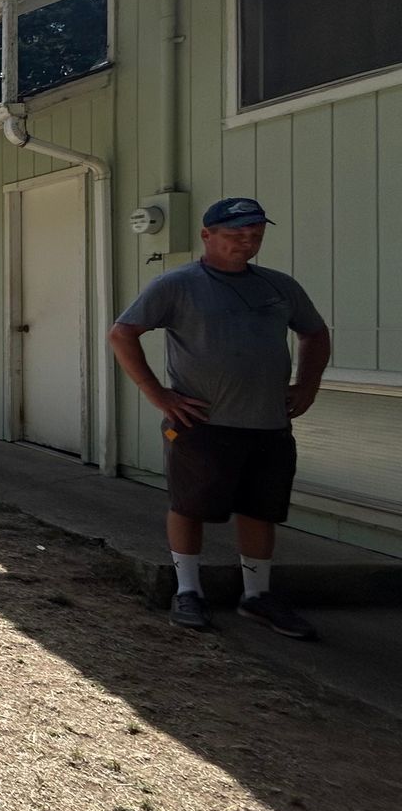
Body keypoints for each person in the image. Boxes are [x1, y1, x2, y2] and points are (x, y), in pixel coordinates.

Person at [107, 197, 331, 638]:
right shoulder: (178, 285)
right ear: (207, 236)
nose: (247, 241)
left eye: (255, 234)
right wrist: (158, 394)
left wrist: (307, 385)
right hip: (201, 422)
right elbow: (122, 333)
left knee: (259, 509)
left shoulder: (278, 287)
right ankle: (188, 591)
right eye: (235, 234)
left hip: (268, 422)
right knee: (189, 505)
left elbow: (315, 333)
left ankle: (257, 596)